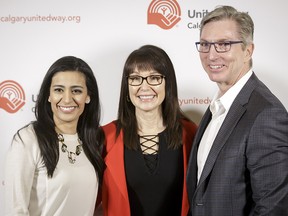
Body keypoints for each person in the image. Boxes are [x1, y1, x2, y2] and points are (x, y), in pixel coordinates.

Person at [186, 5, 288, 216]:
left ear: (248, 50)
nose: (211, 55)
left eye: (223, 45)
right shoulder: (217, 107)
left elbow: (273, 208)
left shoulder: (266, 114)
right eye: (205, 45)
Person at [100, 45, 197, 216]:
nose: (144, 87)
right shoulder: (105, 137)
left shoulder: (190, 133)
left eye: (154, 78)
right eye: (136, 78)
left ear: (168, 84)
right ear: (127, 85)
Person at [4, 56, 105, 215]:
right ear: (48, 95)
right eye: (59, 90)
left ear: (88, 96)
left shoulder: (94, 140)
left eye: (76, 91)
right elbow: (14, 209)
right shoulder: (28, 139)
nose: (66, 99)